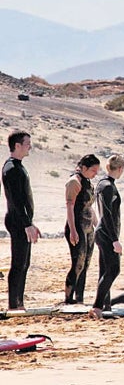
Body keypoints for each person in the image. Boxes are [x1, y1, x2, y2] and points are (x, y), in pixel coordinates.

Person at [3, 131, 41, 311]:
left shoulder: (18, 167)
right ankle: (13, 304)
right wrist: (26, 224)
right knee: (18, 264)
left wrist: (31, 223)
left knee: (24, 263)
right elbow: (16, 200)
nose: (30, 147)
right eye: (27, 144)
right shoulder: (11, 168)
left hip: (23, 221)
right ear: (17, 145)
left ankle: (19, 302)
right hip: (17, 222)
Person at [90, 155, 124, 317]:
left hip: (104, 232)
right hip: (106, 233)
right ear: (120, 169)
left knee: (105, 269)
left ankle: (106, 304)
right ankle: (97, 306)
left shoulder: (103, 184)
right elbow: (107, 214)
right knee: (113, 269)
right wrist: (115, 239)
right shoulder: (107, 186)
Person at [64, 154, 100, 304]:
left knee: (86, 263)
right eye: (93, 170)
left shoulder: (88, 182)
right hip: (77, 226)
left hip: (88, 227)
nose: (95, 174)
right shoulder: (74, 182)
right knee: (77, 263)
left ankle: (80, 298)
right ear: (83, 167)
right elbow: (70, 207)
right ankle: (68, 297)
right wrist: (73, 230)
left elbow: (89, 207)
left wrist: (98, 226)